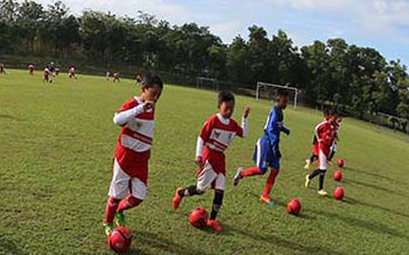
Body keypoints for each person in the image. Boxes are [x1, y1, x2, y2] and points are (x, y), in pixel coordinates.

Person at [172, 91, 250, 232]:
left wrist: (244, 119)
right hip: (209, 156)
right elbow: (201, 137)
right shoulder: (213, 121)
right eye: (226, 108)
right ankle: (180, 193)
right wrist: (198, 155)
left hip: (220, 158)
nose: (229, 111)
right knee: (201, 189)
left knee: (221, 189)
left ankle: (212, 219)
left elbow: (244, 133)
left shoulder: (232, 124)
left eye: (232, 108)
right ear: (219, 106)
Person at [104, 74, 164, 234]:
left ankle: (120, 211)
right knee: (116, 194)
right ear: (144, 89)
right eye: (154, 93)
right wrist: (140, 108)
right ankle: (108, 223)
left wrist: (148, 147)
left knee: (139, 196)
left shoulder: (151, 107)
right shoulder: (135, 104)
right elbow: (117, 120)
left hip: (142, 159)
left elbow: (146, 129)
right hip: (126, 156)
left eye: (159, 95)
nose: (156, 97)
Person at [232, 88, 291, 204]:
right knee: (261, 170)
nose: (286, 104)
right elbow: (270, 130)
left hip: (273, 144)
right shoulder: (275, 110)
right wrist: (275, 148)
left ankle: (265, 195)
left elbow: (277, 126)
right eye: (284, 101)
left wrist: (285, 129)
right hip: (266, 143)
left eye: (287, 102)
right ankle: (241, 173)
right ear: (278, 99)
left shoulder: (280, 112)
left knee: (275, 169)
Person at [304, 110, 337, 196]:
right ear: (330, 116)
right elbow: (316, 129)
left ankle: (309, 177)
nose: (335, 119)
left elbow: (332, 135)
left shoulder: (333, 126)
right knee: (323, 168)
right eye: (334, 117)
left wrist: (332, 143)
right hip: (321, 147)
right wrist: (319, 139)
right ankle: (320, 189)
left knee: (322, 169)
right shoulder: (325, 124)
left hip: (327, 149)